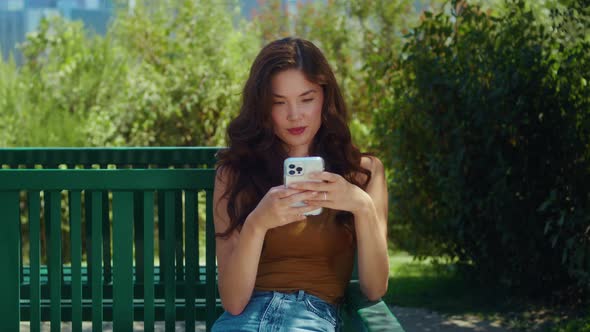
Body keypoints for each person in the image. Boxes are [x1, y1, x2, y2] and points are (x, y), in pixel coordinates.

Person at [212, 37, 389, 332]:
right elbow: (233, 302)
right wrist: (257, 224)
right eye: (278, 102)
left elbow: (375, 288)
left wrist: (361, 206)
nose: (295, 115)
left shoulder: (363, 173)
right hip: (243, 319)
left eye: (307, 99)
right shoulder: (234, 174)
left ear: (325, 98)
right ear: (262, 109)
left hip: (311, 317)